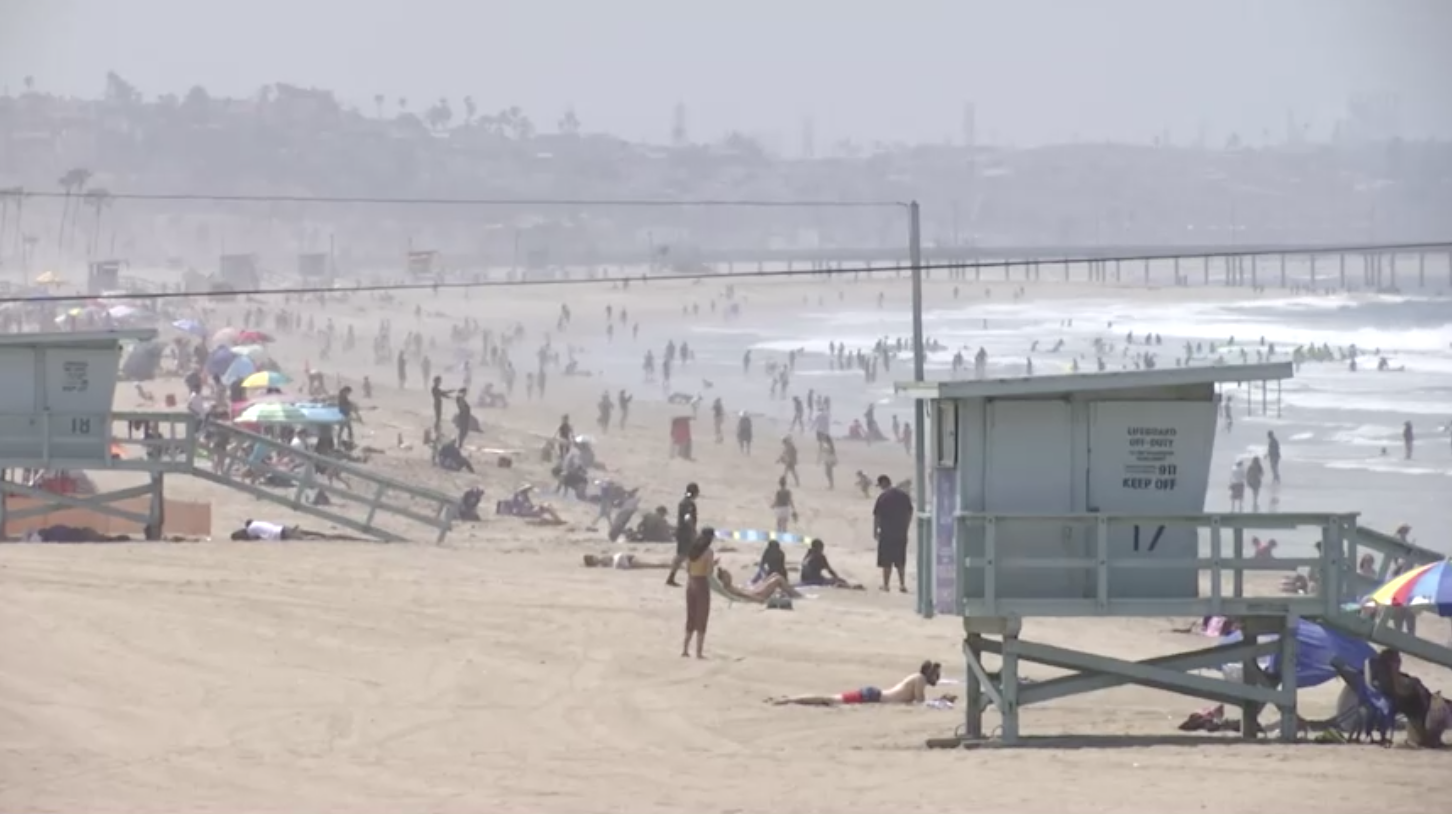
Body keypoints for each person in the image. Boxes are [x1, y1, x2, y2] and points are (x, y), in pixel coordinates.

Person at [770, 661, 951, 707]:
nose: (938, 678)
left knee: (830, 700)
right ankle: (790, 700)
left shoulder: (917, 679)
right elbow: (920, 702)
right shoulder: (920, 679)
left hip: (875, 695)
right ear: (929, 673)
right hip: (874, 696)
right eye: (936, 675)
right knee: (830, 700)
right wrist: (942, 701)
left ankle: (791, 699)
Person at [1369, 648, 1449, 747]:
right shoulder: (1392, 680)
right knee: (1442, 708)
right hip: (1420, 706)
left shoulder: (1386, 679)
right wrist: (1413, 682)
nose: (1400, 662)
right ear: (1390, 663)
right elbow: (1401, 691)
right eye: (1397, 660)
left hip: (1421, 705)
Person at [872, 474, 913, 593]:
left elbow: (877, 516)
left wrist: (875, 531)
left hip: (886, 533)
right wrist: (906, 527)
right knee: (900, 560)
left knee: (886, 561)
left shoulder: (883, 497)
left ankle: (886, 585)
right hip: (901, 533)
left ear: (884, 483)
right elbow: (910, 512)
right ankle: (902, 584)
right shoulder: (903, 496)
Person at [682, 527, 716, 659]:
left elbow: (687, 568)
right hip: (701, 583)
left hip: (690, 583)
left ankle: (685, 649)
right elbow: (709, 572)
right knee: (702, 616)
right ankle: (698, 652)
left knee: (691, 615)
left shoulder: (692, 549)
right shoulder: (708, 552)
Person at [665, 482, 701, 587]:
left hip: (683, 532)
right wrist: (692, 530)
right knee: (684, 555)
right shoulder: (687, 503)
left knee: (683, 555)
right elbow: (687, 517)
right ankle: (675, 577)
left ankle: (673, 577)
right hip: (686, 533)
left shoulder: (685, 502)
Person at [582, 552, 671, 570]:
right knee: (650, 565)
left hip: (627, 560)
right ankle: (667, 565)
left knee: (650, 565)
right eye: (593, 558)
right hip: (627, 559)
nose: (595, 557)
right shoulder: (602, 562)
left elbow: (614, 562)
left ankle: (667, 565)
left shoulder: (602, 561)